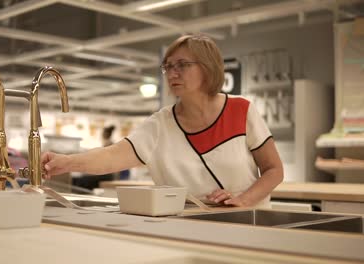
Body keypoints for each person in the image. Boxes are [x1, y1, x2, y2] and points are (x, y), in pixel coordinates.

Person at [41, 34, 283, 208]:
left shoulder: (241, 110)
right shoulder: (160, 125)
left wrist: (244, 199)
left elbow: (274, 170)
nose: (173, 73)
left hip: (248, 224)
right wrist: (67, 162)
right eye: (168, 66)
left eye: (183, 65)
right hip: (188, 229)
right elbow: (112, 156)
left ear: (208, 68)